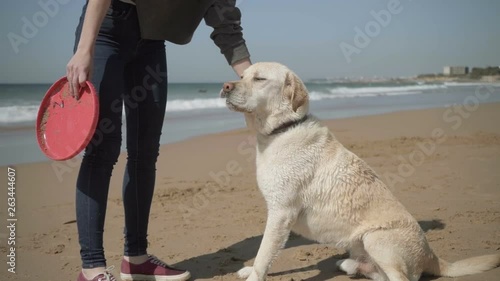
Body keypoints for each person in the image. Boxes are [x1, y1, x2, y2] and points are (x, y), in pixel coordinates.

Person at [66, 0, 252, 280]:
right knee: (102, 149)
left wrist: (254, 80)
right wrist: (84, 48)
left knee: (145, 151)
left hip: (152, 40)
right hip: (107, 27)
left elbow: (226, 26)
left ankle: (136, 258)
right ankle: (91, 268)